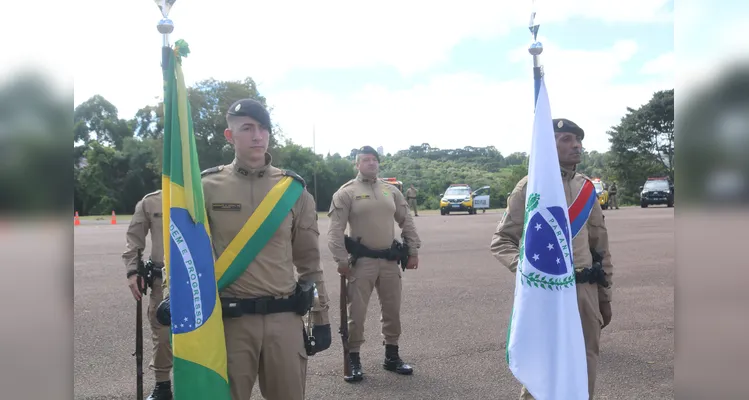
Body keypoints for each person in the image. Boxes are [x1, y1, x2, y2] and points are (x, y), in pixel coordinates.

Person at [200, 98, 332, 399]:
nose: (257, 135)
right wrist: (174, 296)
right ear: (229, 135)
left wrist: (321, 317)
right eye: (247, 128)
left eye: (263, 128)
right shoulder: (206, 187)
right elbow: (187, 252)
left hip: (284, 320)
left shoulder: (293, 191)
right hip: (230, 322)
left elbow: (310, 261)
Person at [490, 118, 614, 400]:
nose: (576, 146)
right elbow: (502, 241)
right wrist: (530, 271)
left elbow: (601, 248)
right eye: (566, 139)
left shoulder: (586, 189)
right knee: (543, 366)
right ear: (549, 144)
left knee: (586, 362)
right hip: (546, 291)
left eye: (578, 140)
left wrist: (605, 297)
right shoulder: (530, 186)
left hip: (584, 290)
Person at [327, 145, 422, 382]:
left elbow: (406, 221)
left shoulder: (391, 191)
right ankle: (354, 359)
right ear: (357, 165)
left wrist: (413, 250)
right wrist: (340, 259)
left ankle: (392, 356)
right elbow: (335, 230)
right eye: (365, 160)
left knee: (392, 310)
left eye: (374, 159)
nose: (371, 163)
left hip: (389, 261)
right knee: (356, 312)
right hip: (362, 262)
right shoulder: (346, 192)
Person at [122, 190, 173, 400]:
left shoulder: (206, 193)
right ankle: (162, 386)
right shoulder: (151, 202)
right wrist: (133, 271)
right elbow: (134, 239)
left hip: (199, 281)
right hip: (162, 282)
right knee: (161, 336)